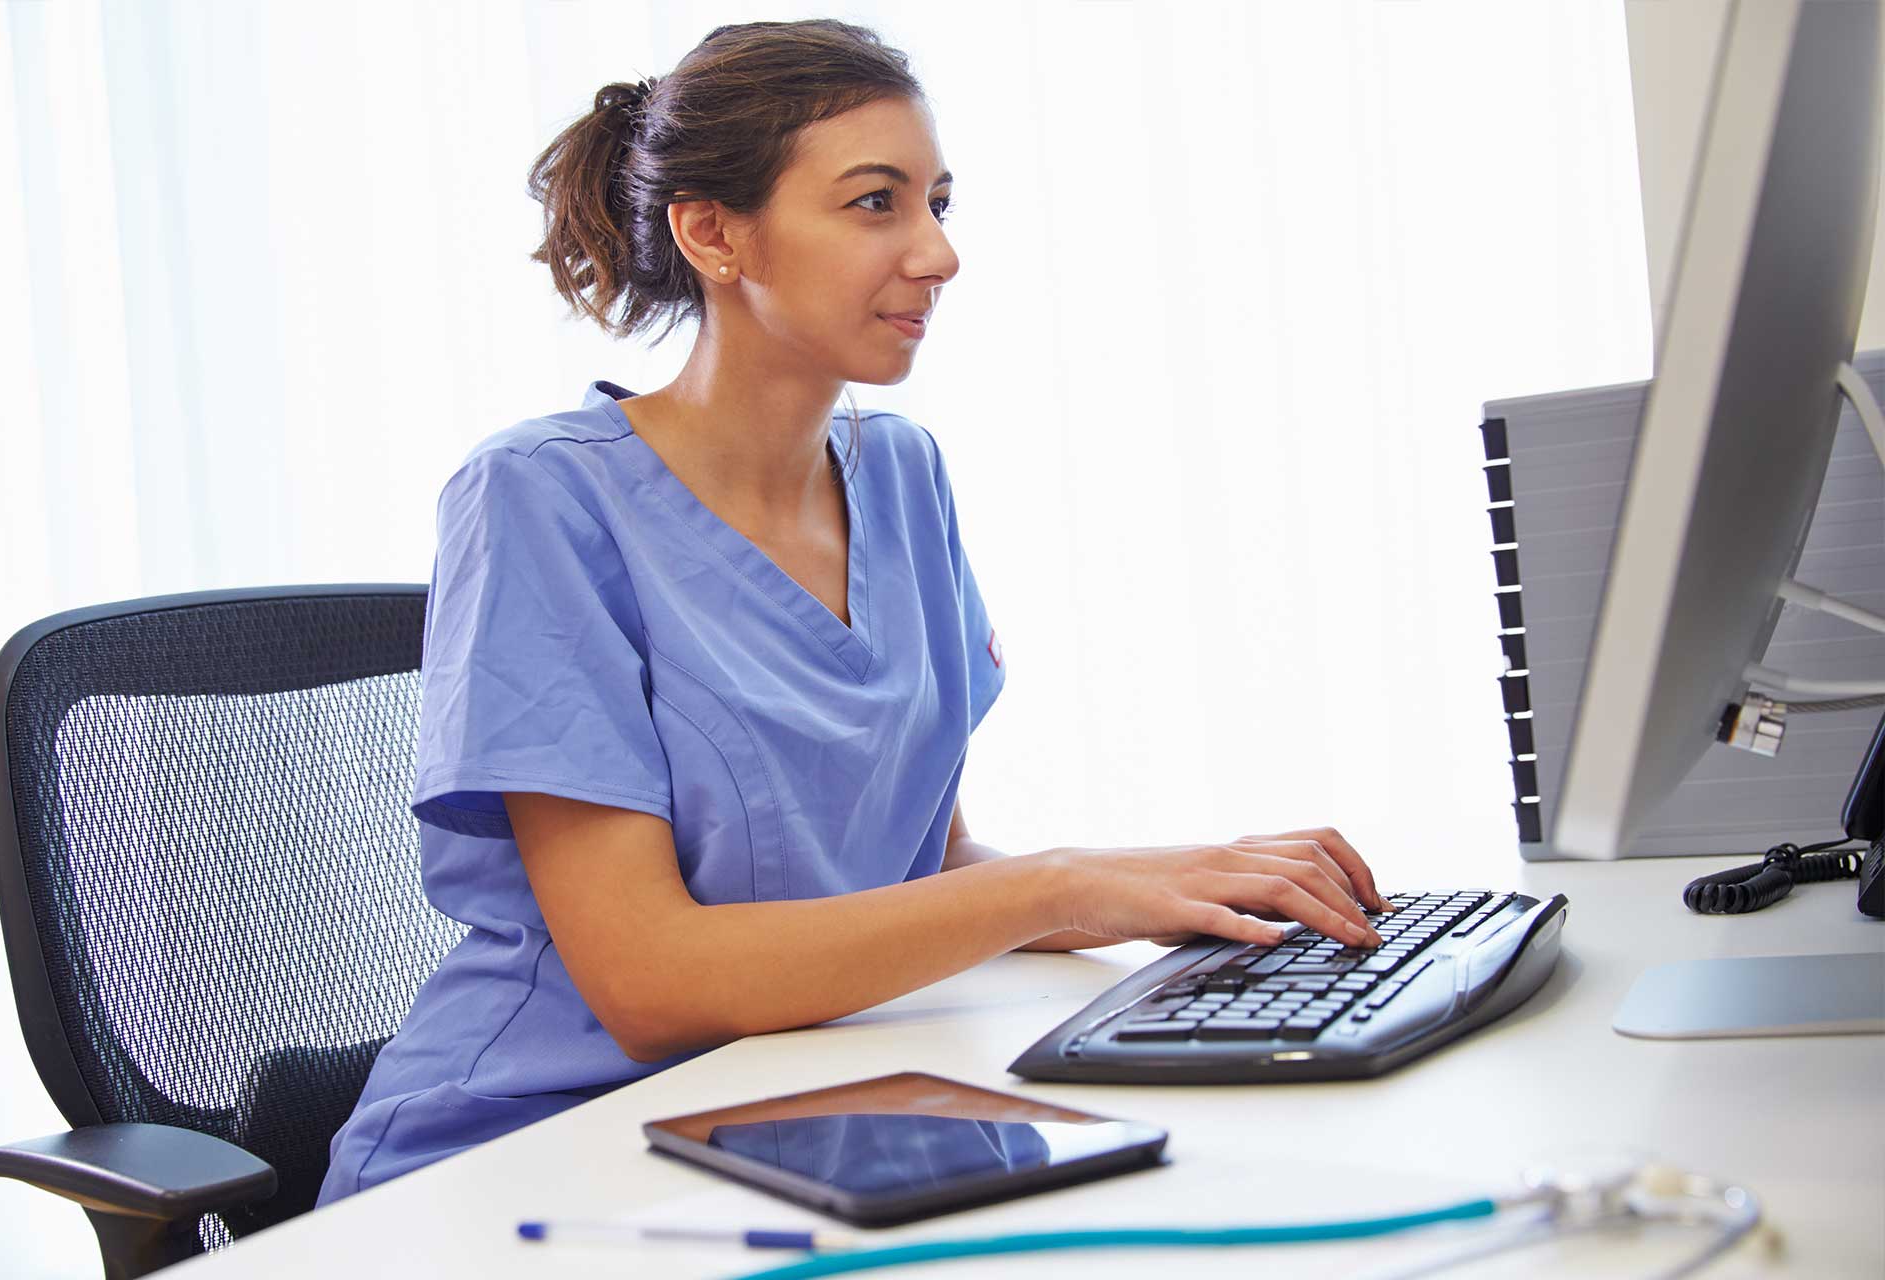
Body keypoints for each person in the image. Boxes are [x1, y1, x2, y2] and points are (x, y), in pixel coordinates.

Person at [317, 16, 1392, 1207]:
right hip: (537, 1148)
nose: (938, 252)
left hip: (813, 1103)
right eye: (877, 203)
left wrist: (1170, 889)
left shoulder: (902, 474)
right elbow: (648, 977)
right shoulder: (540, 496)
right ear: (715, 233)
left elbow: (927, 863)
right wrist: (1061, 883)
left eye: (939, 200)